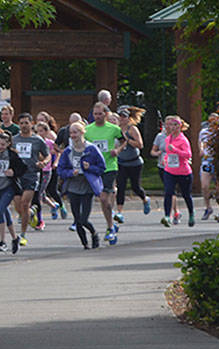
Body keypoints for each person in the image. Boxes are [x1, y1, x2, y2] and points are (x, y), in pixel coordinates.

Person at [56, 121, 105, 249]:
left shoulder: (91, 149)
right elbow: (60, 169)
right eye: (71, 133)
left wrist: (90, 168)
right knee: (77, 219)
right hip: (73, 186)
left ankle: (94, 234)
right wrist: (71, 172)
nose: (73, 135)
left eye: (75, 132)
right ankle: (85, 244)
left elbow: (101, 167)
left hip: (87, 185)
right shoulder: (68, 151)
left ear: (82, 132)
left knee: (84, 219)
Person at [83, 102, 123, 244]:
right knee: (102, 198)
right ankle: (111, 223)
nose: (98, 116)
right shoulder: (87, 130)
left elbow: (125, 141)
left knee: (105, 198)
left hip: (110, 167)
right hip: (95, 168)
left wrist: (117, 151)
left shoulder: (114, 129)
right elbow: (83, 146)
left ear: (105, 114)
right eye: (95, 114)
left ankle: (110, 227)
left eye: (100, 114)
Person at [10, 113, 49, 246]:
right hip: (16, 175)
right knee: (18, 205)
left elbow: (48, 155)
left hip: (31, 175)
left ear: (31, 124)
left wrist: (43, 162)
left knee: (25, 203)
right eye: (21, 123)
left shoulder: (37, 140)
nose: (24, 126)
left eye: (26, 123)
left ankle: (22, 235)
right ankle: (30, 214)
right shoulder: (14, 140)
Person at [113, 106, 149, 221]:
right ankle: (119, 212)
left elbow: (140, 144)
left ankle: (144, 199)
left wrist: (127, 140)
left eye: (124, 116)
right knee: (121, 186)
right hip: (121, 162)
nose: (122, 118)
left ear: (128, 118)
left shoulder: (132, 129)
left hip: (134, 162)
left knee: (135, 187)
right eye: (120, 116)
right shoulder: (116, 129)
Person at [159, 114, 195, 227]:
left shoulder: (183, 140)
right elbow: (169, 154)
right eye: (171, 125)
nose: (173, 127)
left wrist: (176, 150)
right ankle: (167, 216)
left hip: (183, 172)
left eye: (175, 125)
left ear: (180, 126)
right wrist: (165, 159)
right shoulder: (167, 139)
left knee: (186, 194)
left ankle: (191, 214)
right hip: (170, 171)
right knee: (168, 192)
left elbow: (188, 155)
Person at [199, 112, 218, 220]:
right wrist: (201, 150)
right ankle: (208, 207)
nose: (212, 124)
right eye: (210, 121)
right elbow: (200, 143)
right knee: (204, 186)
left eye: (214, 121)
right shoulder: (203, 132)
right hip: (207, 161)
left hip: (217, 161)